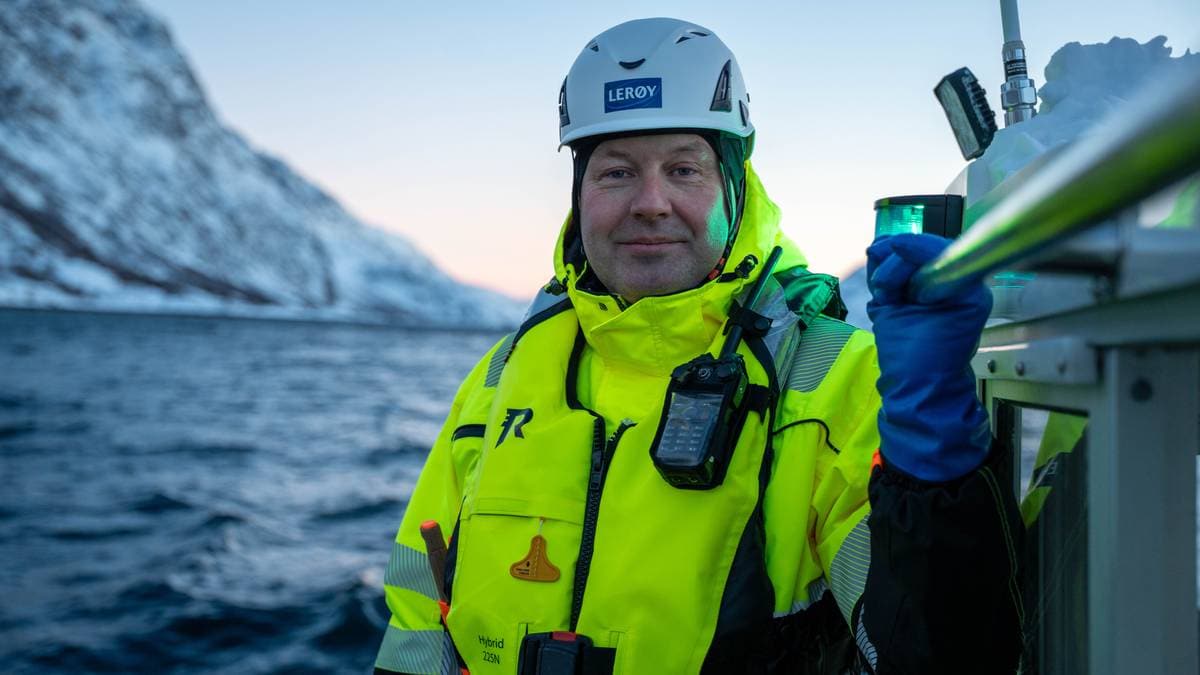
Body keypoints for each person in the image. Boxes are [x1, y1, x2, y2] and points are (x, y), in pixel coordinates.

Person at [373, 18, 1023, 675]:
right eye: (616, 172)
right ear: (579, 194)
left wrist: (930, 470)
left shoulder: (839, 382)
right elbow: (417, 610)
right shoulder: (504, 374)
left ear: (733, 186)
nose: (650, 203)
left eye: (683, 168)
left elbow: (933, 651)